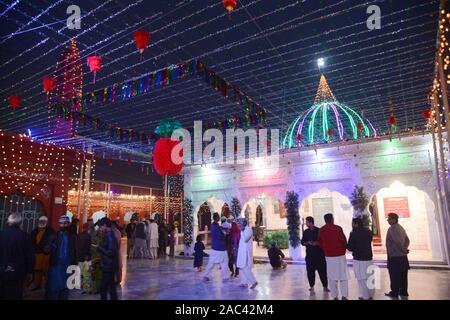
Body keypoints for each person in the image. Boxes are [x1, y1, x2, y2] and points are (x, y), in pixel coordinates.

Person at [0, 213, 34, 300]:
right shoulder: (25, 236)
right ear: (20, 223)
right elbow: (29, 256)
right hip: (17, 273)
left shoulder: (2, 234)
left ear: (8, 222)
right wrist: (30, 272)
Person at [318, 213, 349, 300]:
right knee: (343, 275)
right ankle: (344, 295)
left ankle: (334, 296)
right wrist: (343, 250)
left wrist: (325, 249)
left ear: (325, 220)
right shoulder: (338, 228)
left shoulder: (321, 230)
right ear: (332, 219)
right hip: (340, 255)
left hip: (329, 256)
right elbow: (344, 241)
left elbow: (320, 242)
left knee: (332, 276)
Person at [46, 215, 77, 300]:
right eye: (61, 223)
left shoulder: (73, 237)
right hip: (56, 265)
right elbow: (47, 249)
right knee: (54, 287)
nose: (63, 225)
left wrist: (74, 265)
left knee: (65, 288)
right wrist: (47, 248)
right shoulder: (54, 235)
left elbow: (75, 251)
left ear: (68, 223)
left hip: (67, 265)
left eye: (65, 223)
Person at [347, 217, 374, 300]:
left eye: (353, 223)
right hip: (369, 257)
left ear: (356, 224)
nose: (352, 225)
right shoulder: (368, 231)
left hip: (359, 259)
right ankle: (370, 295)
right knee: (369, 277)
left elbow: (350, 247)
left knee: (361, 278)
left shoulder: (353, 233)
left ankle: (365, 296)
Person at [385, 213, 410, 298]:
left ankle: (394, 292)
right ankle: (403, 291)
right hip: (402, 257)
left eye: (389, 219)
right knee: (403, 275)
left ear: (394, 219)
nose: (387, 220)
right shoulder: (400, 227)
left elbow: (397, 241)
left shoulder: (392, 228)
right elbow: (407, 239)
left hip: (395, 257)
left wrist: (403, 250)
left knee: (394, 275)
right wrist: (405, 249)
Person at [301, 216, 329, 293]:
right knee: (310, 272)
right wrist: (307, 242)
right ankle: (312, 286)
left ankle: (325, 286)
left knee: (322, 272)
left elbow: (324, 241)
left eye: (307, 222)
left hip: (319, 255)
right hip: (310, 256)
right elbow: (302, 242)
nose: (306, 223)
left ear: (311, 222)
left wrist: (317, 243)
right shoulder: (306, 232)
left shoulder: (319, 231)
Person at [93, 218, 118, 300]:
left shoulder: (110, 236)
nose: (100, 229)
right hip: (109, 265)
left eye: (100, 227)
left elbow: (111, 252)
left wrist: (99, 247)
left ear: (104, 225)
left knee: (104, 289)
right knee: (111, 288)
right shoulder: (109, 235)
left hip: (108, 266)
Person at [203, 212, 230, 282]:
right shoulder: (215, 226)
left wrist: (223, 230)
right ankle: (225, 277)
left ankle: (206, 275)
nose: (219, 218)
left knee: (212, 263)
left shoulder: (214, 225)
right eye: (218, 217)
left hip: (215, 247)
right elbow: (220, 235)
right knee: (224, 262)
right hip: (219, 248)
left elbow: (219, 230)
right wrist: (225, 234)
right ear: (216, 218)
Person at [30, 215, 54, 291]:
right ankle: (37, 285)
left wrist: (49, 247)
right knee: (37, 270)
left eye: (44, 222)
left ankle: (48, 285)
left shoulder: (50, 231)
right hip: (37, 253)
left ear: (46, 222)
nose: (42, 223)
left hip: (46, 254)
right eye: (41, 221)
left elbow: (53, 241)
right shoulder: (34, 231)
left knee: (47, 270)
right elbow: (31, 242)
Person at [237, 217, 258, 289]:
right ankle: (244, 283)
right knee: (241, 267)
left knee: (245, 268)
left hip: (245, 253)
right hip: (241, 252)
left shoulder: (249, 230)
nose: (239, 225)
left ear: (244, 223)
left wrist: (242, 231)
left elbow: (245, 239)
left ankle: (254, 281)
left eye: (240, 223)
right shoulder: (243, 230)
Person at [77, 223, 93, 294]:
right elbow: (89, 247)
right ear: (87, 228)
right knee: (87, 274)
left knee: (82, 274)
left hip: (80, 257)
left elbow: (77, 247)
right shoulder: (88, 236)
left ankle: (84, 288)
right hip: (87, 257)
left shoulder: (79, 235)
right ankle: (87, 289)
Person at [111, 221, 123, 285]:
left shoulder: (114, 232)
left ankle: (117, 279)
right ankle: (117, 279)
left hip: (114, 251)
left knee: (117, 265)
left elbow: (118, 243)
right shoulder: (118, 232)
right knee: (117, 265)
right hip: (116, 251)